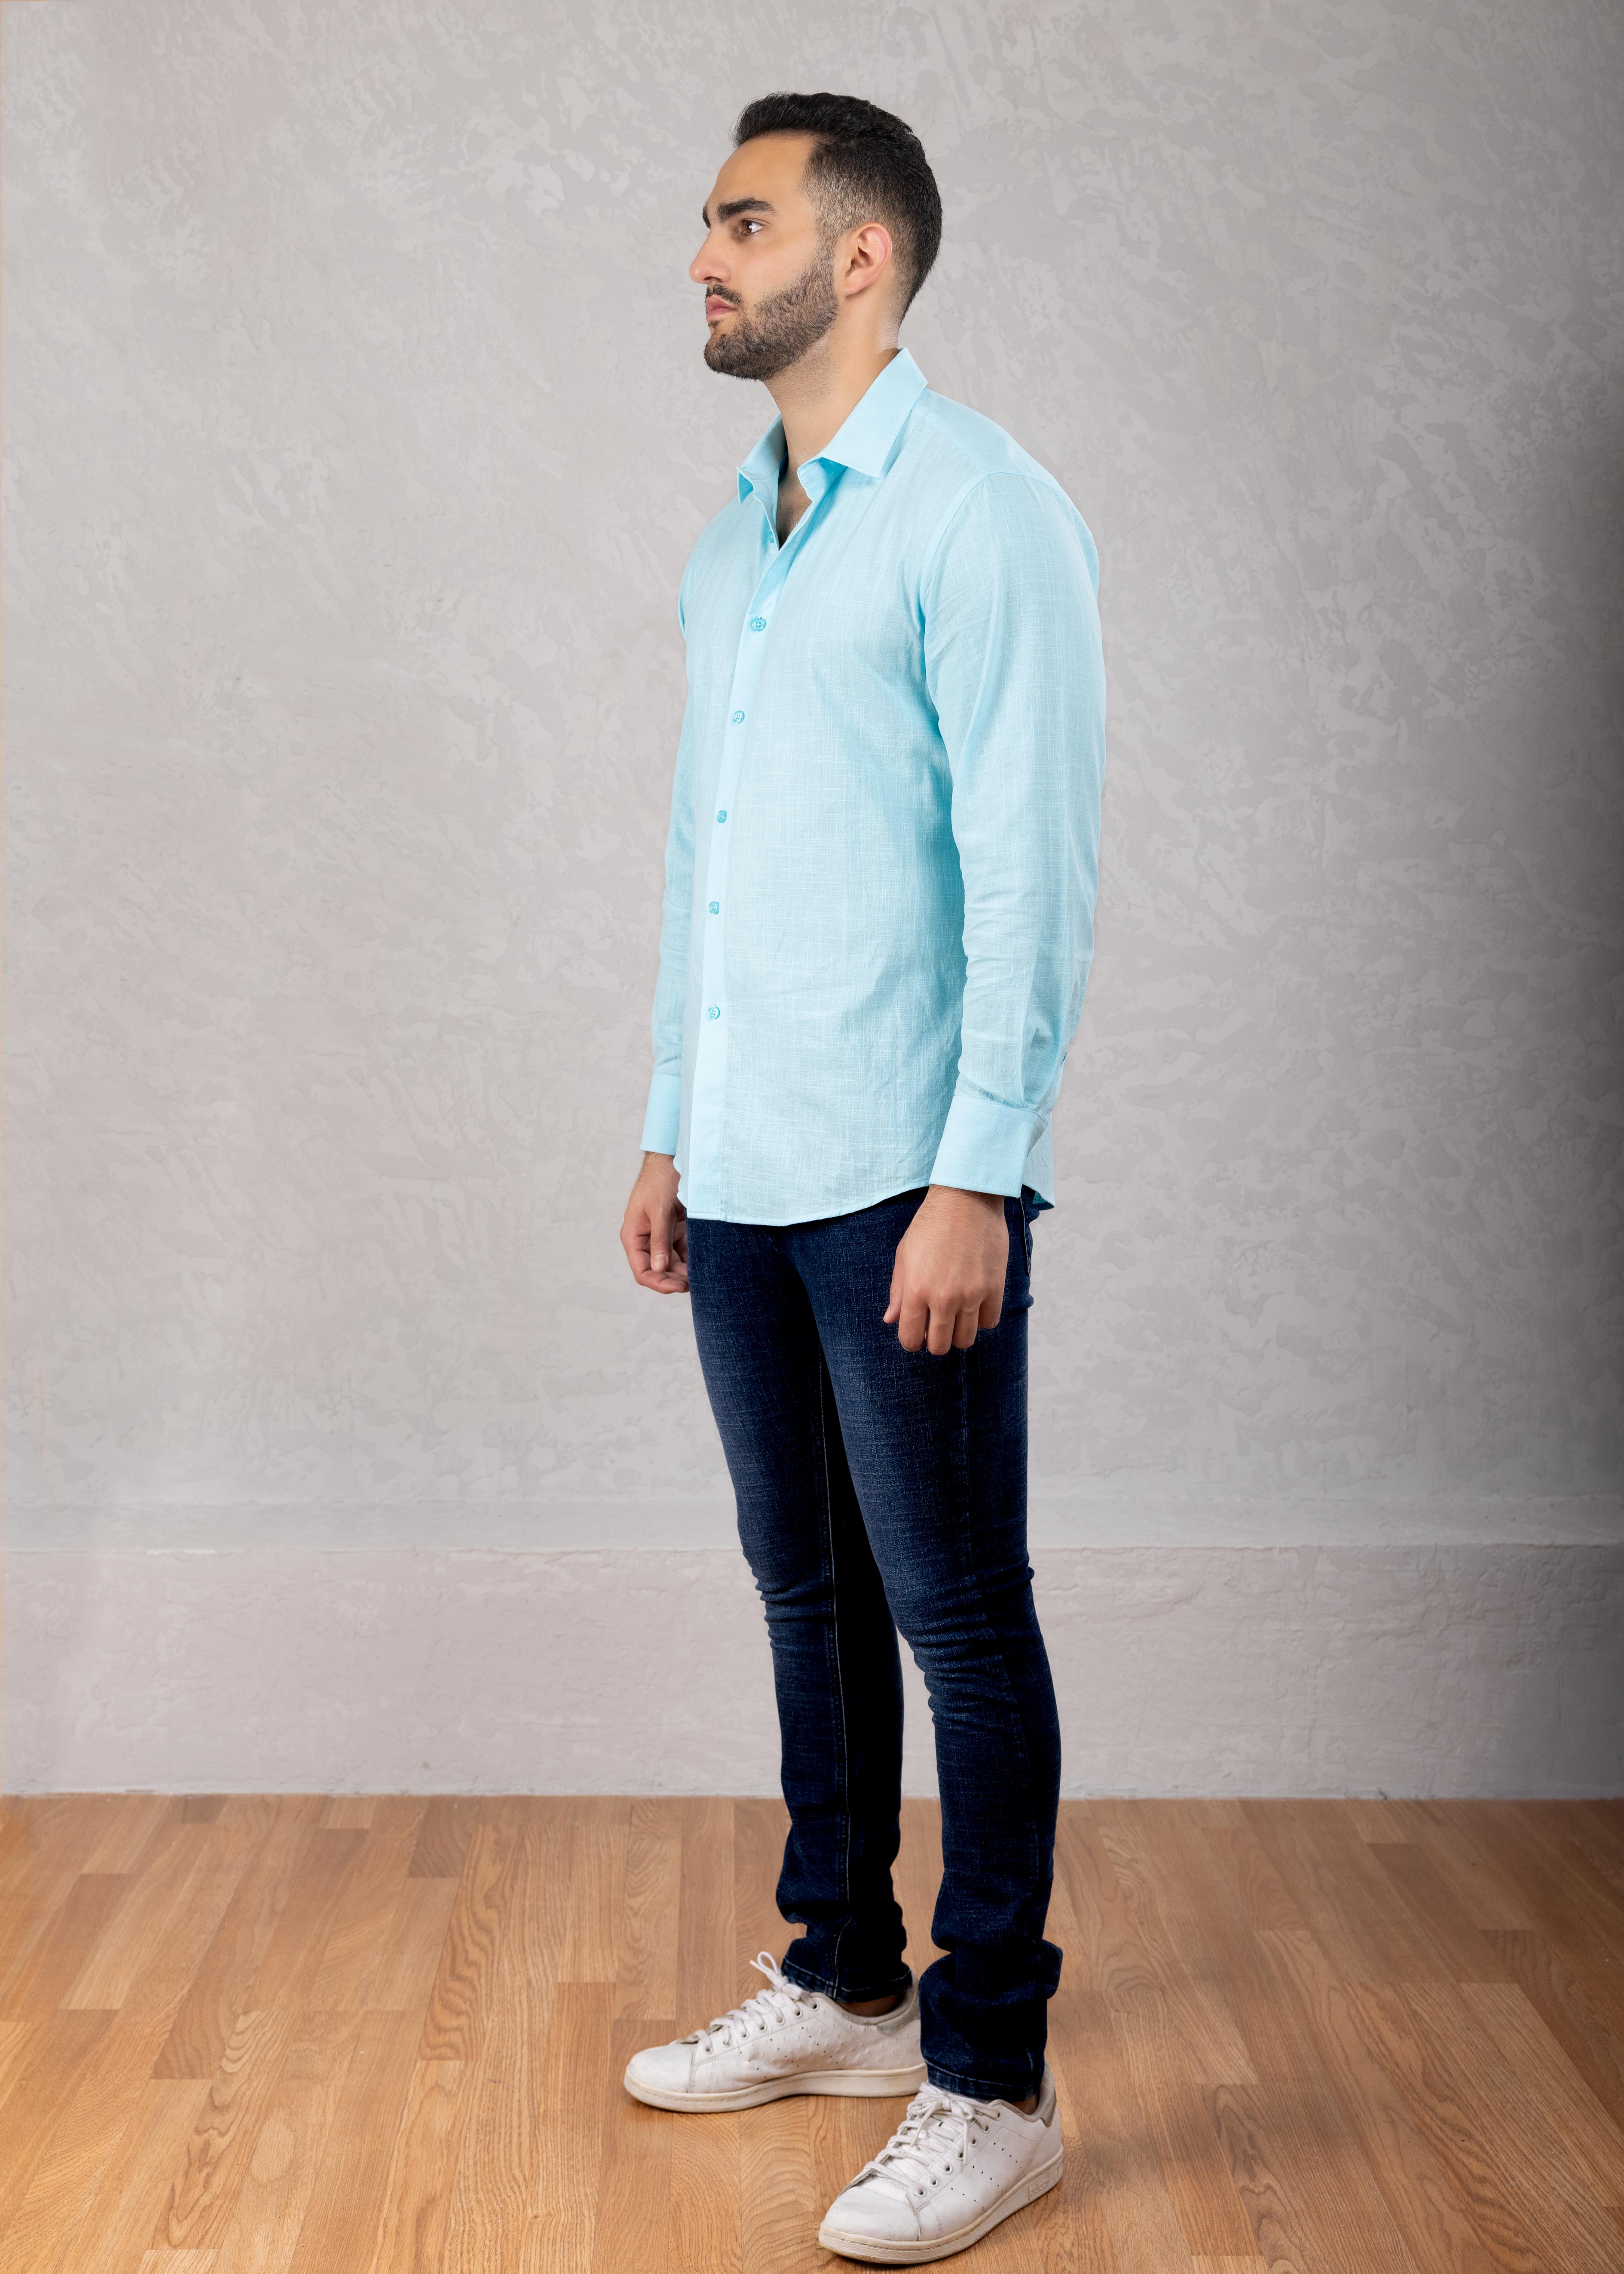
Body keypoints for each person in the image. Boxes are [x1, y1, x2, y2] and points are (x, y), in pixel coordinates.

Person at [618, 88, 1106, 2266]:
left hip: (908, 1178)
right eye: (711, 225)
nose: (704, 259)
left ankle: (992, 2083)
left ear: (862, 255)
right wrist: (669, 1118)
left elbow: (1034, 868)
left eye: (743, 222)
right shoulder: (735, 536)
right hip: (744, 1167)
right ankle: (844, 1980)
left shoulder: (982, 513)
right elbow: (703, 863)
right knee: (803, 1592)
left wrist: (980, 1174)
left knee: (958, 1618)